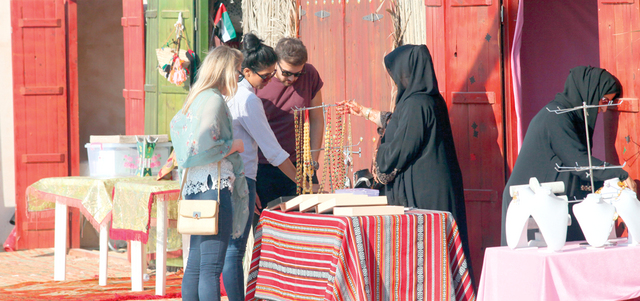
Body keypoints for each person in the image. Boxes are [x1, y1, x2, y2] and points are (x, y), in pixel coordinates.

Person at [341, 44, 472, 278]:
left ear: (407, 72)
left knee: (430, 261)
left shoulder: (416, 104)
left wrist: (380, 159)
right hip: (436, 190)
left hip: (425, 196)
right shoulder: (430, 100)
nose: (395, 80)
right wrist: (364, 112)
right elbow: (398, 124)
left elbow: (398, 151)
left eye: (396, 74)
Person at [501, 66, 636, 244]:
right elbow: (579, 164)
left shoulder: (568, 116)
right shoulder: (556, 117)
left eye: (608, 104)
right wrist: (619, 173)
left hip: (547, 202)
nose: (603, 110)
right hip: (527, 208)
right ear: (588, 92)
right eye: (603, 101)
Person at [170, 46, 249, 301]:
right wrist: (234, 145)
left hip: (196, 187)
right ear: (226, 70)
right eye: (238, 72)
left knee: (196, 265)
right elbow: (203, 144)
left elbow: (183, 137)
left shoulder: (196, 97)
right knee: (210, 269)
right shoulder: (214, 99)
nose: (239, 78)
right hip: (213, 188)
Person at [223, 33, 297, 300]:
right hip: (241, 177)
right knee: (235, 250)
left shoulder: (230, 93)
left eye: (271, 75)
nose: (269, 82)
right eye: (265, 77)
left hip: (232, 176)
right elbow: (274, 152)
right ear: (246, 71)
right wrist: (303, 181)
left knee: (228, 250)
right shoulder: (248, 100)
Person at [254, 37, 324, 207]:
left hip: (300, 165)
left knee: (305, 226)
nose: (292, 79)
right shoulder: (259, 80)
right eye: (286, 73)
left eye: (297, 74)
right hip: (264, 167)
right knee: (267, 227)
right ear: (275, 64)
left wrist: (313, 162)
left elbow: (317, 119)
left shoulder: (310, 74)